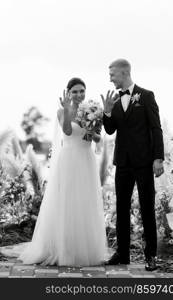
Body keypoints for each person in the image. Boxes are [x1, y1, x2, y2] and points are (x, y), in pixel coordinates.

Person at [2, 78, 107, 266]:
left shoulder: (93, 110)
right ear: (68, 93)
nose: (78, 94)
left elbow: (98, 138)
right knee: (67, 201)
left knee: (85, 201)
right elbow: (67, 132)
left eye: (81, 90)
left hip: (86, 159)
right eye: (74, 91)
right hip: (69, 159)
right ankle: (64, 248)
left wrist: (92, 131)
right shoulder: (62, 111)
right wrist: (67, 112)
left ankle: (84, 248)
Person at [101, 59, 164, 271]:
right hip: (123, 163)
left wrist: (158, 158)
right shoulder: (115, 101)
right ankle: (123, 253)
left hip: (144, 162)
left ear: (125, 72)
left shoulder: (146, 96)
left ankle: (151, 256)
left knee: (147, 208)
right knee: (122, 208)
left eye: (113, 74)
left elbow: (156, 128)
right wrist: (107, 112)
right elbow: (110, 130)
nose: (110, 78)